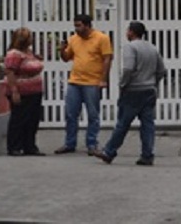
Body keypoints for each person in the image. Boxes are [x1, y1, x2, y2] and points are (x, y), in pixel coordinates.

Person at [95, 21, 166, 166]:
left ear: (132, 32)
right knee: (148, 124)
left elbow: (128, 68)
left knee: (123, 123)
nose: (126, 33)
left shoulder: (130, 47)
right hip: (149, 90)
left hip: (133, 91)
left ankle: (109, 152)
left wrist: (123, 84)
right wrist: (153, 82)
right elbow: (162, 70)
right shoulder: (152, 48)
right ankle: (147, 155)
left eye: (128, 30)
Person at [55, 13, 113, 155]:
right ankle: (70, 143)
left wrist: (103, 79)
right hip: (74, 81)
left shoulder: (102, 38)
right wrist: (62, 50)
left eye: (79, 25)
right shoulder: (73, 39)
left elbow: (107, 59)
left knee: (93, 115)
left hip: (92, 82)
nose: (76, 28)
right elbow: (66, 58)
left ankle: (92, 144)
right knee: (70, 114)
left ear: (87, 25)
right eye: (75, 25)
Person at [4, 27, 45, 156]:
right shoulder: (14, 54)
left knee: (32, 119)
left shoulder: (29, 52)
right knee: (19, 119)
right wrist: (14, 91)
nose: (32, 39)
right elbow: (10, 72)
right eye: (30, 37)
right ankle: (14, 146)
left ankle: (30, 146)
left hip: (34, 91)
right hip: (22, 91)